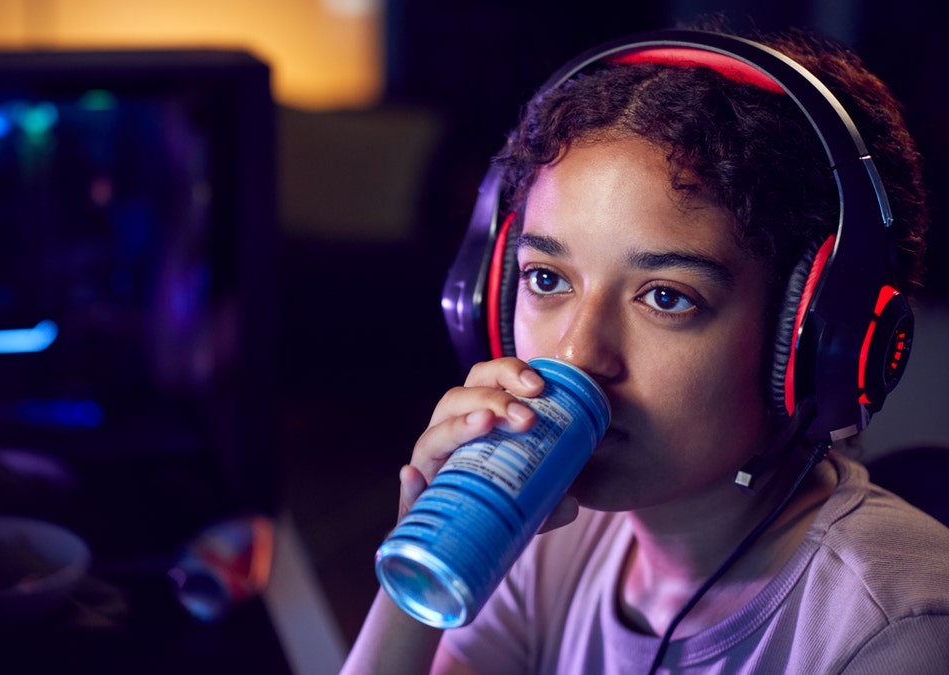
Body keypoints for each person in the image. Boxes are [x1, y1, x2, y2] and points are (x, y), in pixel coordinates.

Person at [341, 23, 949, 674]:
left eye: (665, 297)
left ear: (814, 344)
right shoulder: (544, 539)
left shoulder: (895, 626)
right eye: (547, 279)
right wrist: (424, 562)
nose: (578, 354)